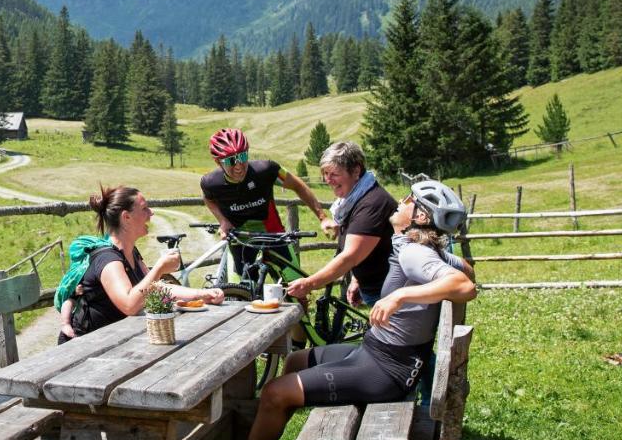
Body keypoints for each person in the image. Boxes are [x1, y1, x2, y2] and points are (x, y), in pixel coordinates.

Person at [244, 179, 476, 440]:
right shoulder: (416, 246)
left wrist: (400, 297)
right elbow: (465, 269)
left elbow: (465, 286)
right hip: (376, 353)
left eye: (408, 200)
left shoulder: (415, 252)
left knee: (273, 392)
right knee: (294, 362)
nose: (400, 202)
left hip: (387, 371)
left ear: (421, 216)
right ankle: (270, 432)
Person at [56, 185, 224, 343]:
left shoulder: (131, 252)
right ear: (126, 217)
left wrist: (201, 294)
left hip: (114, 341)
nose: (151, 213)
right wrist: (159, 268)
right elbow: (129, 305)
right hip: (84, 348)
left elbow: (155, 288)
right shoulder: (108, 260)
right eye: (144, 209)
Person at [200, 128, 329, 279]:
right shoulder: (210, 183)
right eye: (230, 160)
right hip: (240, 239)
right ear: (218, 162)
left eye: (242, 156)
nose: (238, 165)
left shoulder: (267, 170)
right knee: (241, 295)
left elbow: (297, 186)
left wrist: (322, 217)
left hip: (274, 235)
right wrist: (223, 221)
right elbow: (208, 198)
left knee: (297, 290)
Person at [286, 140, 397, 307]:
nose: (328, 180)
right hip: (376, 288)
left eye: (334, 174)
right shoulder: (354, 199)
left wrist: (309, 284)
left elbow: (350, 256)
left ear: (356, 171)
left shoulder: (373, 203)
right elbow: (366, 248)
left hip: (387, 293)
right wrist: (357, 279)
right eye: (325, 173)